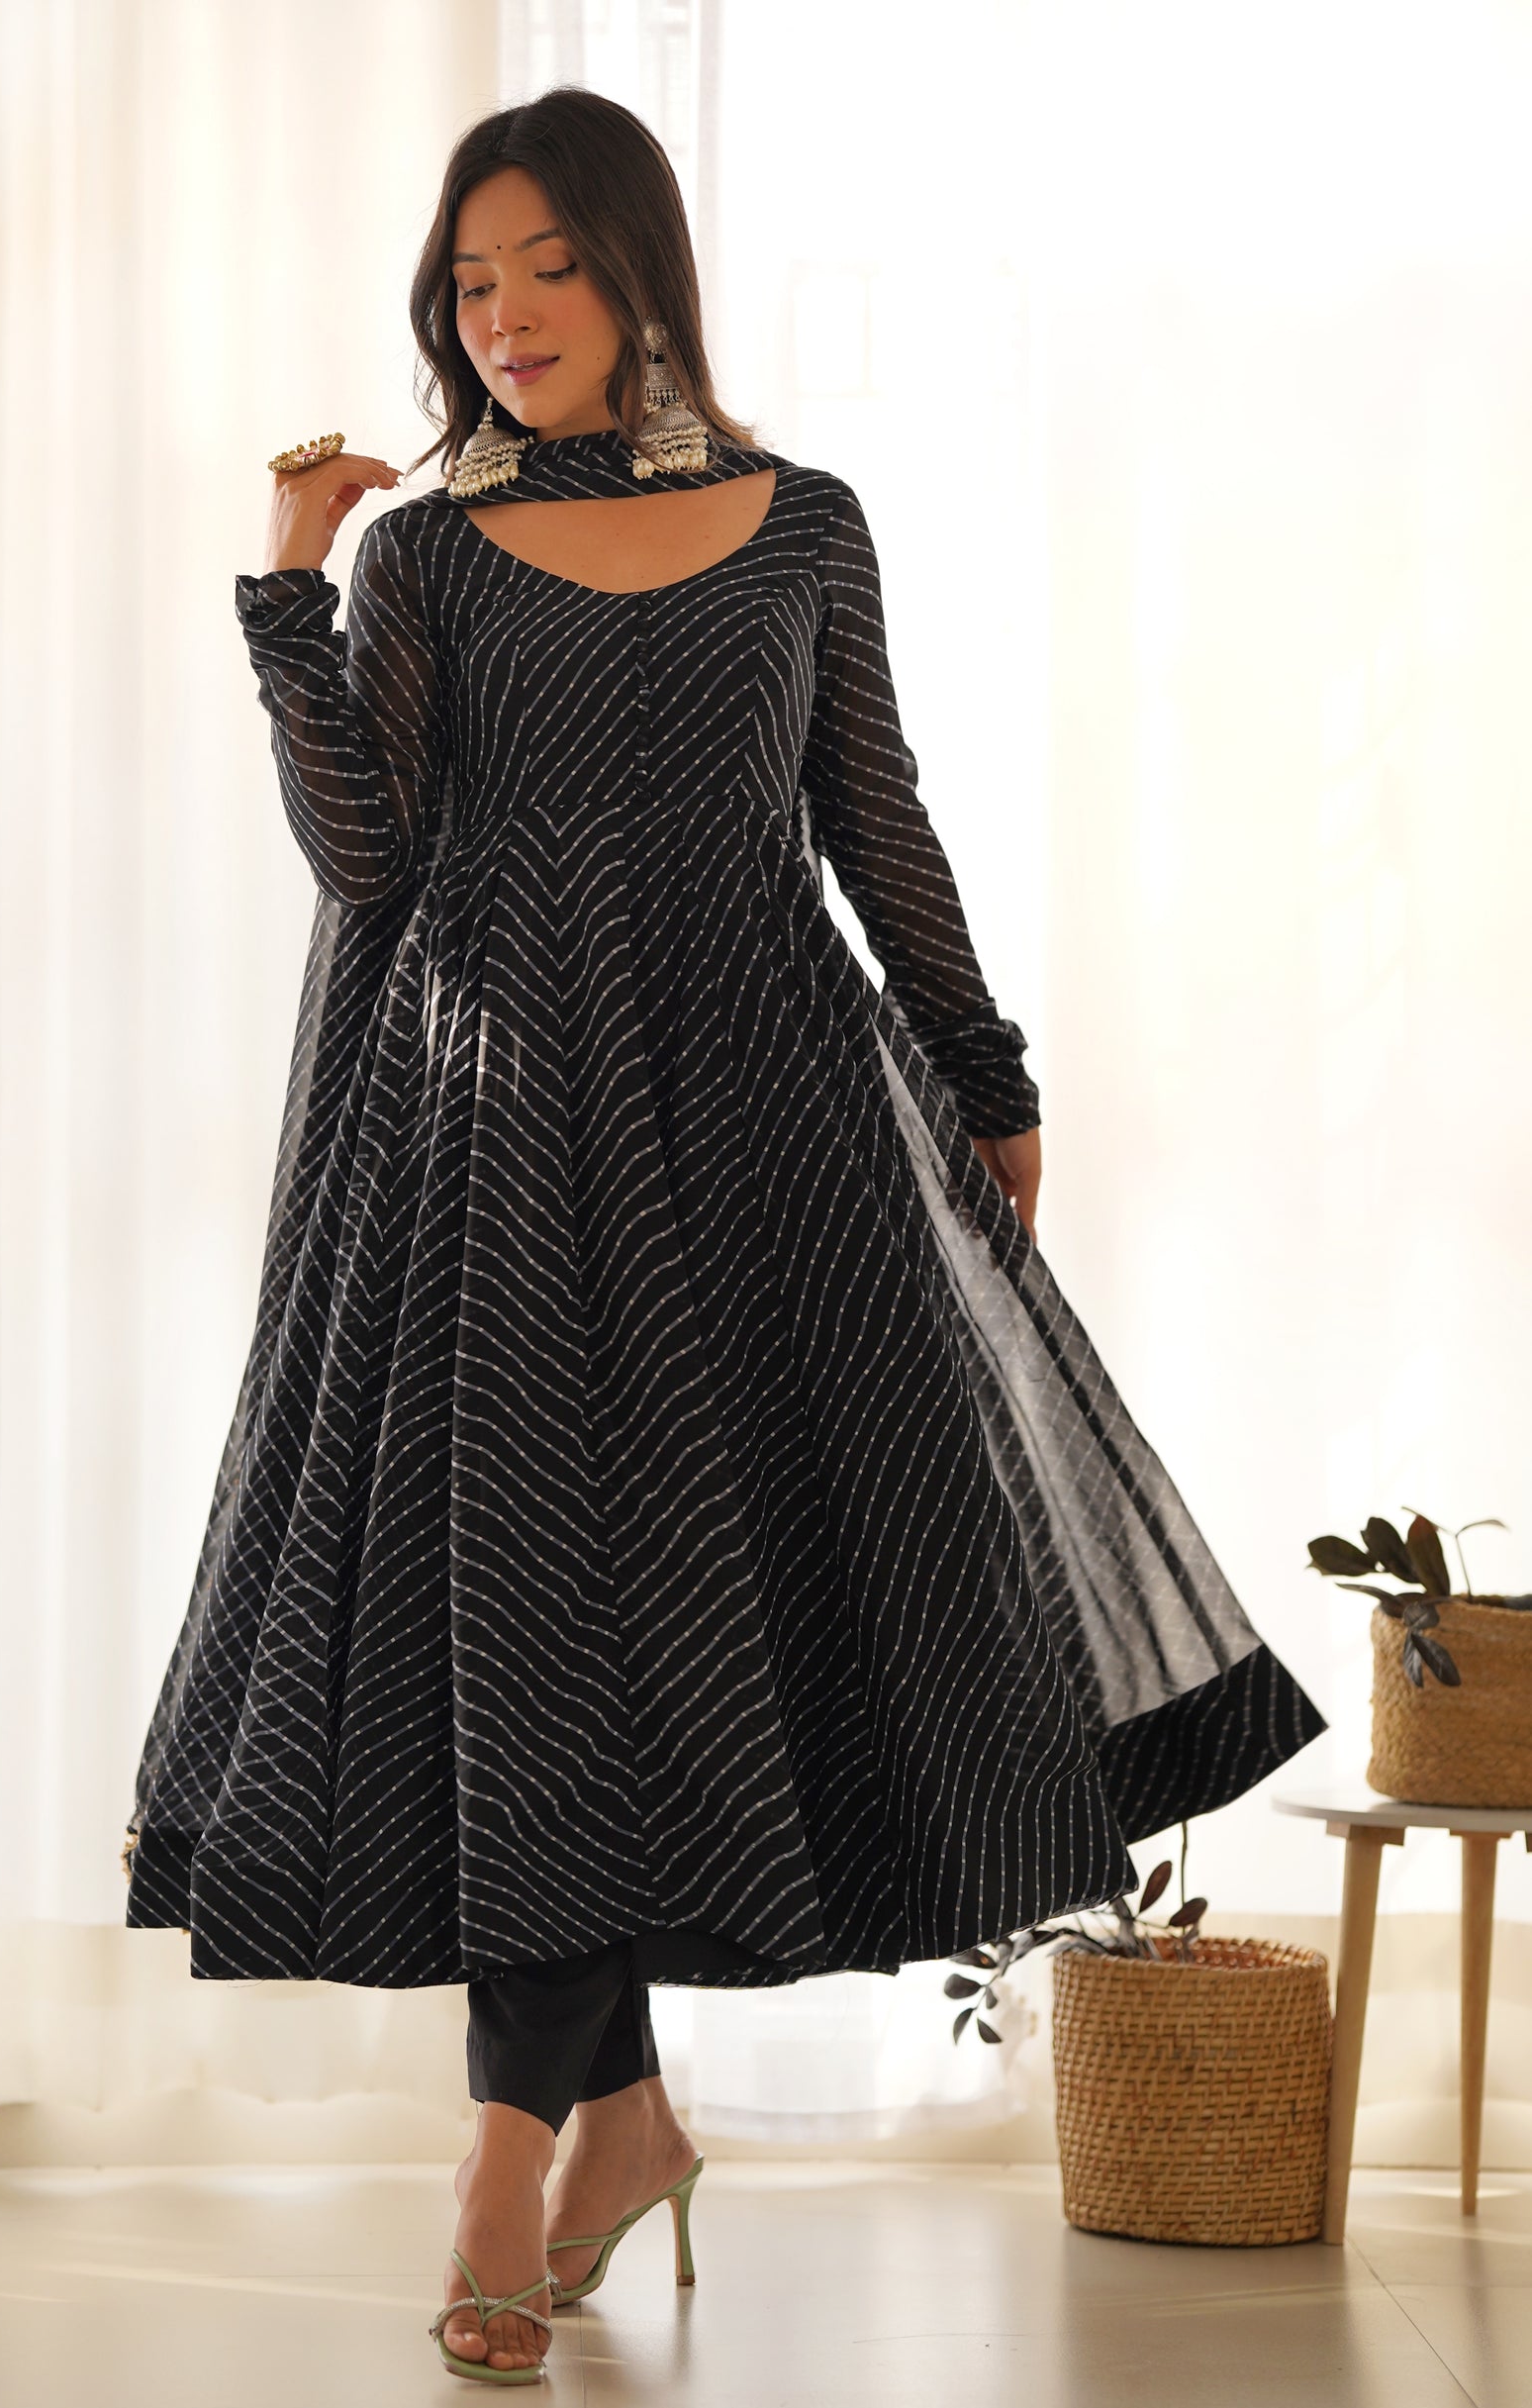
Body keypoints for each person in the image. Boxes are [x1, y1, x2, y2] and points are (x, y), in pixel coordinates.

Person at [122, 86, 1324, 2384]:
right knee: (531, 1638)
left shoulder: (803, 529)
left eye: (545, 267)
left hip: (763, 1144)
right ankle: (525, 2153)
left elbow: (872, 810)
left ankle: (617, 2123)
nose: (502, 316)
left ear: (636, 271)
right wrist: (287, 589)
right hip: (490, 1143)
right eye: (467, 283)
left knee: (674, 1631)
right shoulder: (430, 556)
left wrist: (985, 1071)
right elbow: (369, 860)